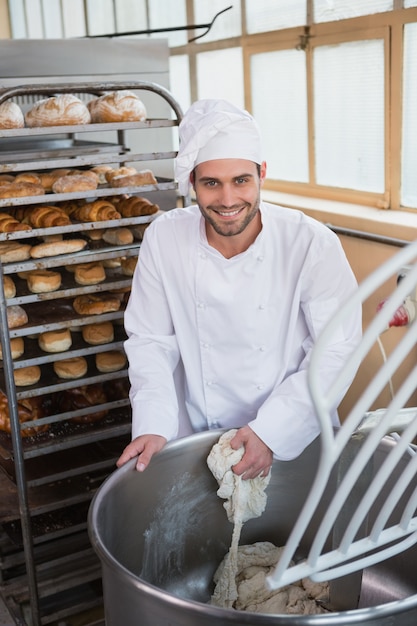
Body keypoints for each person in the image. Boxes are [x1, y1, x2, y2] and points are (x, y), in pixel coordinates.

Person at [117, 99, 362, 478]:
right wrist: (153, 422)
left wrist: (273, 432)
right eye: (211, 183)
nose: (228, 200)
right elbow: (150, 340)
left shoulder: (310, 243)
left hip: (292, 435)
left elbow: (337, 349)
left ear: (262, 173)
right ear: (191, 183)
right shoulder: (164, 238)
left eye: (241, 180)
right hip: (195, 432)